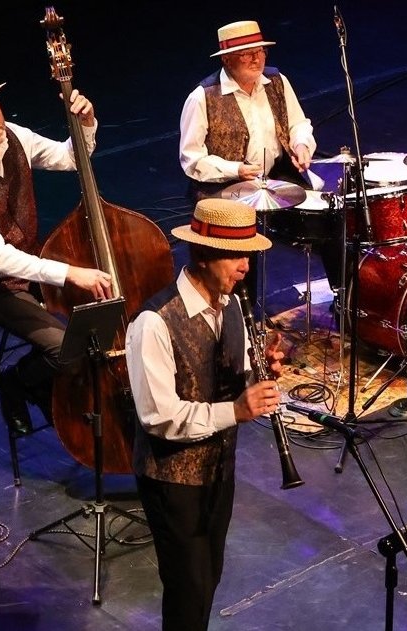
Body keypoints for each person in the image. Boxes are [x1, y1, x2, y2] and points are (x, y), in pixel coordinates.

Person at [125, 197, 285, 631]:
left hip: (218, 468)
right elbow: (158, 416)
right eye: (237, 255)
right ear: (203, 253)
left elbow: (235, 374)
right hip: (171, 478)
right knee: (187, 588)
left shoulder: (232, 306)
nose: (246, 267)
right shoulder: (153, 323)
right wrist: (236, 409)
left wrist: (258, 370)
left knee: (208, 579)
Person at [0, 71, 114, 435]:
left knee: (102, 320)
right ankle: (16, 382)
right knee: (68, 348)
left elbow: (71, 158)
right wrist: (70, 272)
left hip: (30, 262)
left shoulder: (13, 135)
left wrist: (86, 123)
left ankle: (77, 397)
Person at [178, 20, 336, 300]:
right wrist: (234, 168)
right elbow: (191, 159)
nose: (256, 58)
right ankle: (244, 318)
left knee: (330, 220)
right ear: (227, 59)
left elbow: (299, 123)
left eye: (260, 51)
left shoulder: (277, 81)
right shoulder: (203, 97)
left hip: (275, 174)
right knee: (242, 257)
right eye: (246, 53)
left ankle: (342, 298)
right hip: (225, 187)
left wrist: (301, 144)